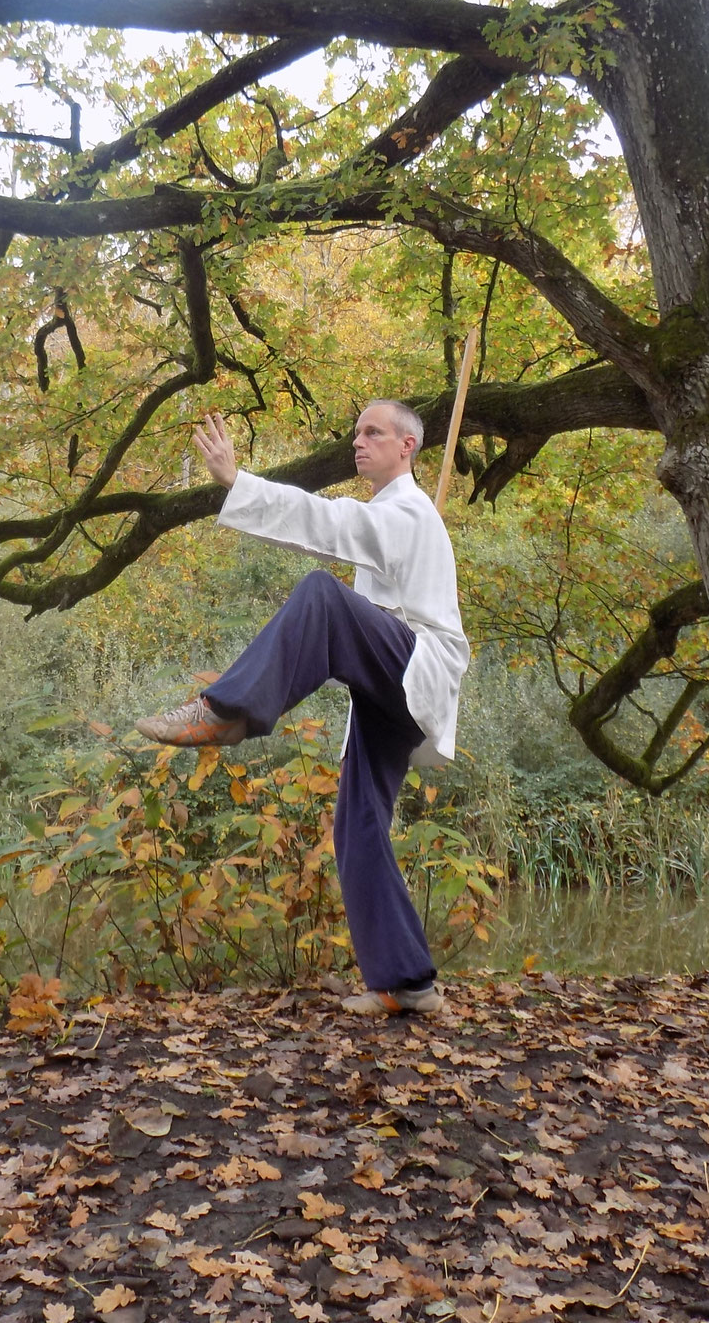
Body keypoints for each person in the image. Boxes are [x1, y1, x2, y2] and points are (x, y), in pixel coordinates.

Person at [134, 402, 470, 1016]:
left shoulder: (408, 511)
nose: (358, 441)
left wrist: (239, 484)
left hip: (416, 665)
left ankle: (226, 711)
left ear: (408, 447)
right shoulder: (391, 514)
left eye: (374, 432)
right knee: (357, 824)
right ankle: (409, 984)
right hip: (387, 686)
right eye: (356, 432)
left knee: (321, 593)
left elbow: (328, 522)